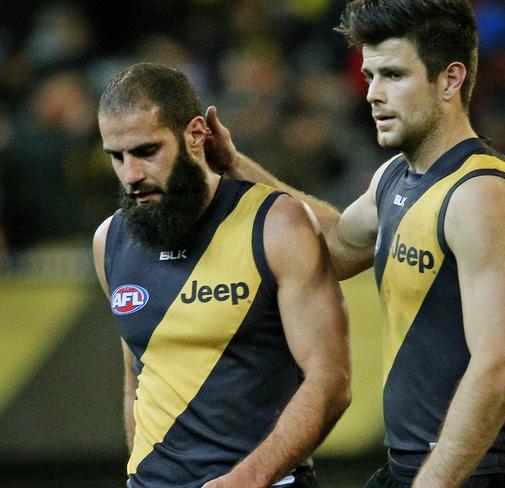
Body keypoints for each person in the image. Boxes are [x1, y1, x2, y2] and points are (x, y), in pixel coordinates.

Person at [203, 1, 505, 487]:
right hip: (412, 470)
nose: (373, 94)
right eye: (369, 76)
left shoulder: (481, 196)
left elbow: (498, 366)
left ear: (450, 80)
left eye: (393, 75)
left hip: (479, 475)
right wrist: (236, 165)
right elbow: (336, 246)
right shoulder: (396, 179)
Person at [92, 62, 351, 488]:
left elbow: (331, 381)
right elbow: (138, 374)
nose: (131, 175)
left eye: (146, 151)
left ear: (196, 135)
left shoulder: (278, 224)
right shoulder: (110, 241)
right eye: (116, 157)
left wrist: (249, 478)